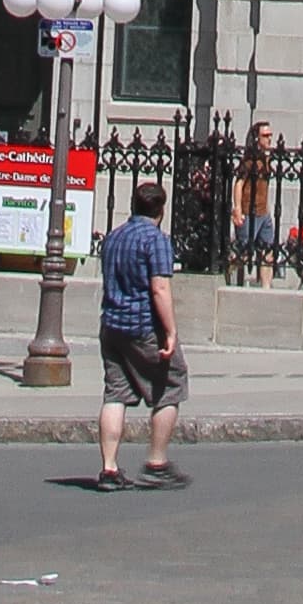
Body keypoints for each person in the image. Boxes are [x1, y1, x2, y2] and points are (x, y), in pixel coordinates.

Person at [95, 179, 188, 483]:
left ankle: (109, 468)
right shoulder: (156, 240)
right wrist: (171, 331)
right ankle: (156, 463)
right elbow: (159, 288)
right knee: (170, 385)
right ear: (161, 209)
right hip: (142, 326)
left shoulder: (114, 237)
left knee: (116, 393)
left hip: (111, 325)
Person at [229, 118, 282, 278]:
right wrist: (237, 209)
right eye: (265, 135)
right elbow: (239, 183)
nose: (269, 139)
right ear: (257, 137)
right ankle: (231, 278)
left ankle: (266, 289)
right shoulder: (249, 160)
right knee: (243, 254)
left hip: (263, 212)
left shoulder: (266, 159)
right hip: (248, 212)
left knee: (268, 252)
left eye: (270, 135)